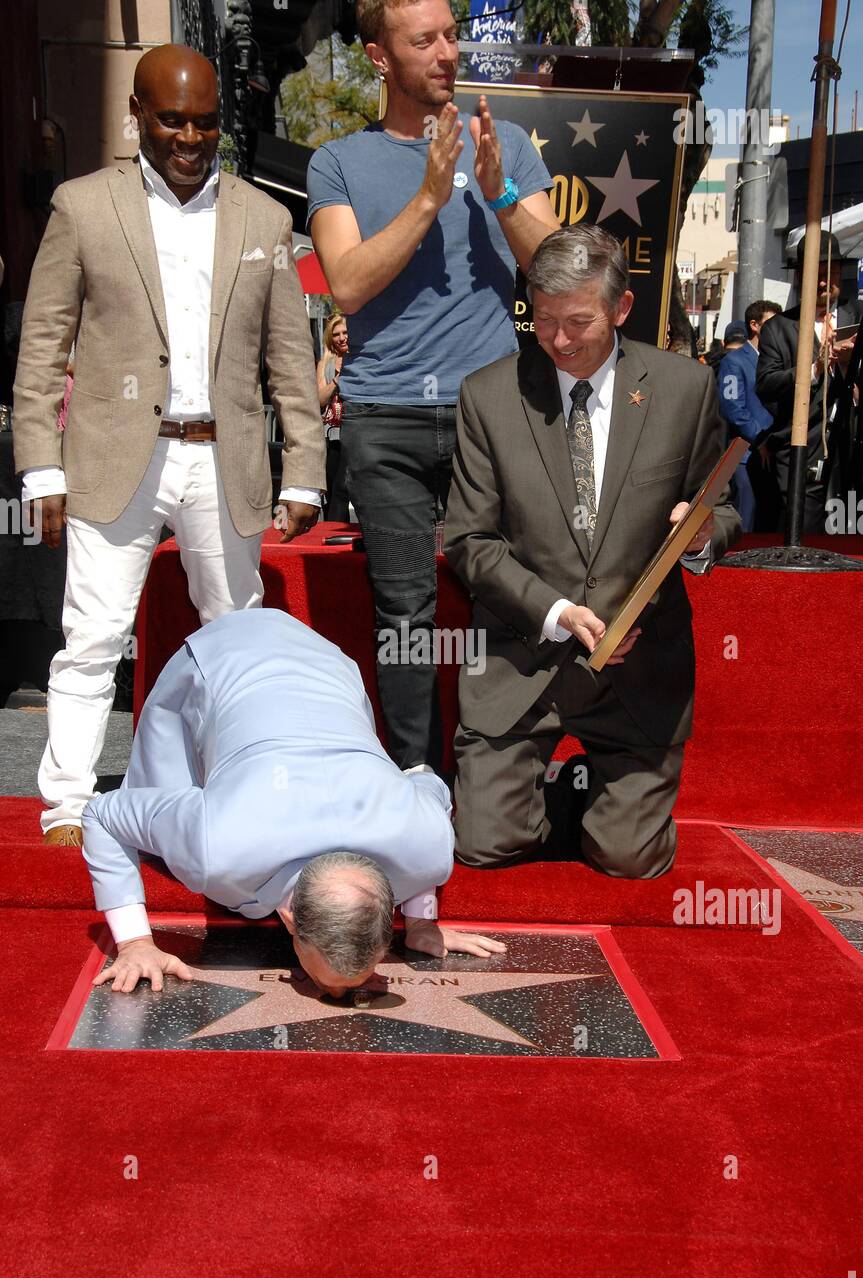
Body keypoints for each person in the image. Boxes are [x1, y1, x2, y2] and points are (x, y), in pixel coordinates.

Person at [12, 44, 325, 846]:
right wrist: (39, 463)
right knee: (92, 637)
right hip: (116, 455)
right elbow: (42, 346)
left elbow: (290, 361)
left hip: (224, 460)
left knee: (234, 637)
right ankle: (69, 805)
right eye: (173, 120)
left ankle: (236, 785)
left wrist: (304, 475)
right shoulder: (82, 207)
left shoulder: (265, 218)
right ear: (138, 117)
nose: (190, 137)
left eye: (206, 122)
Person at [306, 0, 560, 773]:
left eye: (451, 35)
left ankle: (496, 778)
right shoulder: (338, 162)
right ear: (380, 57)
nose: (447, 52)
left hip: (493, 415)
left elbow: (556, 273)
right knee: (406, 614)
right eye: (425, 40)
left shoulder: (504, 143)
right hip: (386, 418)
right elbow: (346, 283)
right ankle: (414, 779)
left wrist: (498, 193)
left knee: (507, 602)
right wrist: (428, 194)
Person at [444, 225, 742, 878]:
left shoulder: (684, 390)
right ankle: (546, 793)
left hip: (636, 677)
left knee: (627, 861)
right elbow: (468, 539)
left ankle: (606, 799)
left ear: (620, 308)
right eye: (542, 319)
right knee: (483, 847)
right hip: (522, 665)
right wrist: (554, 613)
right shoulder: (488, 395)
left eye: (577, 321)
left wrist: (701, 532)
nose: (557, 340)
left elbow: (720, 510)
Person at [83, 608, 503, 996]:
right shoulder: (216, 840)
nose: (338, 999)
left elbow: (427, 781)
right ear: (287, 919)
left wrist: (421, 922)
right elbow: (103, 813)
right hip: (221, 659)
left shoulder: (426, 842)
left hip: (325, 664)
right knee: (156, 821)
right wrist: (135, 943)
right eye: (331, 981)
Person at [756, 230, 857, 533]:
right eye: (817, 272)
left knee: (851, 537)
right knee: (803, 533)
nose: (825, 281)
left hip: (852, 451)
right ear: (801, 275)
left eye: (832, 271)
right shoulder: (779, 327)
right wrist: (815, 368)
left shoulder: (860, 316)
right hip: (802, 452)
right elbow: (766, 384)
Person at [716, 302, 781, 532]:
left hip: (774, 453)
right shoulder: (734, 362)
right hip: (745, 454)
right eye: (772, 323)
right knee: (747, 521)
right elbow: (733, 408)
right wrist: (760, 438)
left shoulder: (775, 361)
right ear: (754, 325)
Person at [316, 313, 351, 521]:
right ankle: (333, 538)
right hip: (333, 436)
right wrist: (336, 380)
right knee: (333, 491)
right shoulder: (325, 364)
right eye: (336, 334)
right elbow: (319, 399)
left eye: (345, 332)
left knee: (351, 490)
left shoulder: (362, 359)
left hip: (357, 432)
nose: (341, 337)